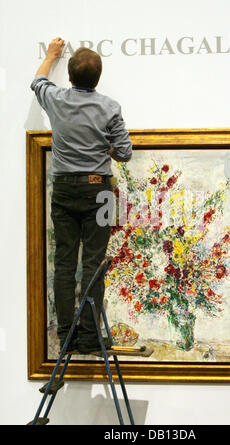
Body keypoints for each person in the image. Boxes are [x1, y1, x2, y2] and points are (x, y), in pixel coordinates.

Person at [30, 37, 132, 354]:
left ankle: (66, 337)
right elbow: (125, 153)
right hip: (99, 190)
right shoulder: (110, 107)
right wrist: (105, 146)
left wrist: (50, 55)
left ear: (70, 78)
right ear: (97, 79)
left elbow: (37, 81)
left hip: (63, 188)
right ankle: (89, 337)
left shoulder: (57, 99)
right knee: (92, 264)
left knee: (64, 264)